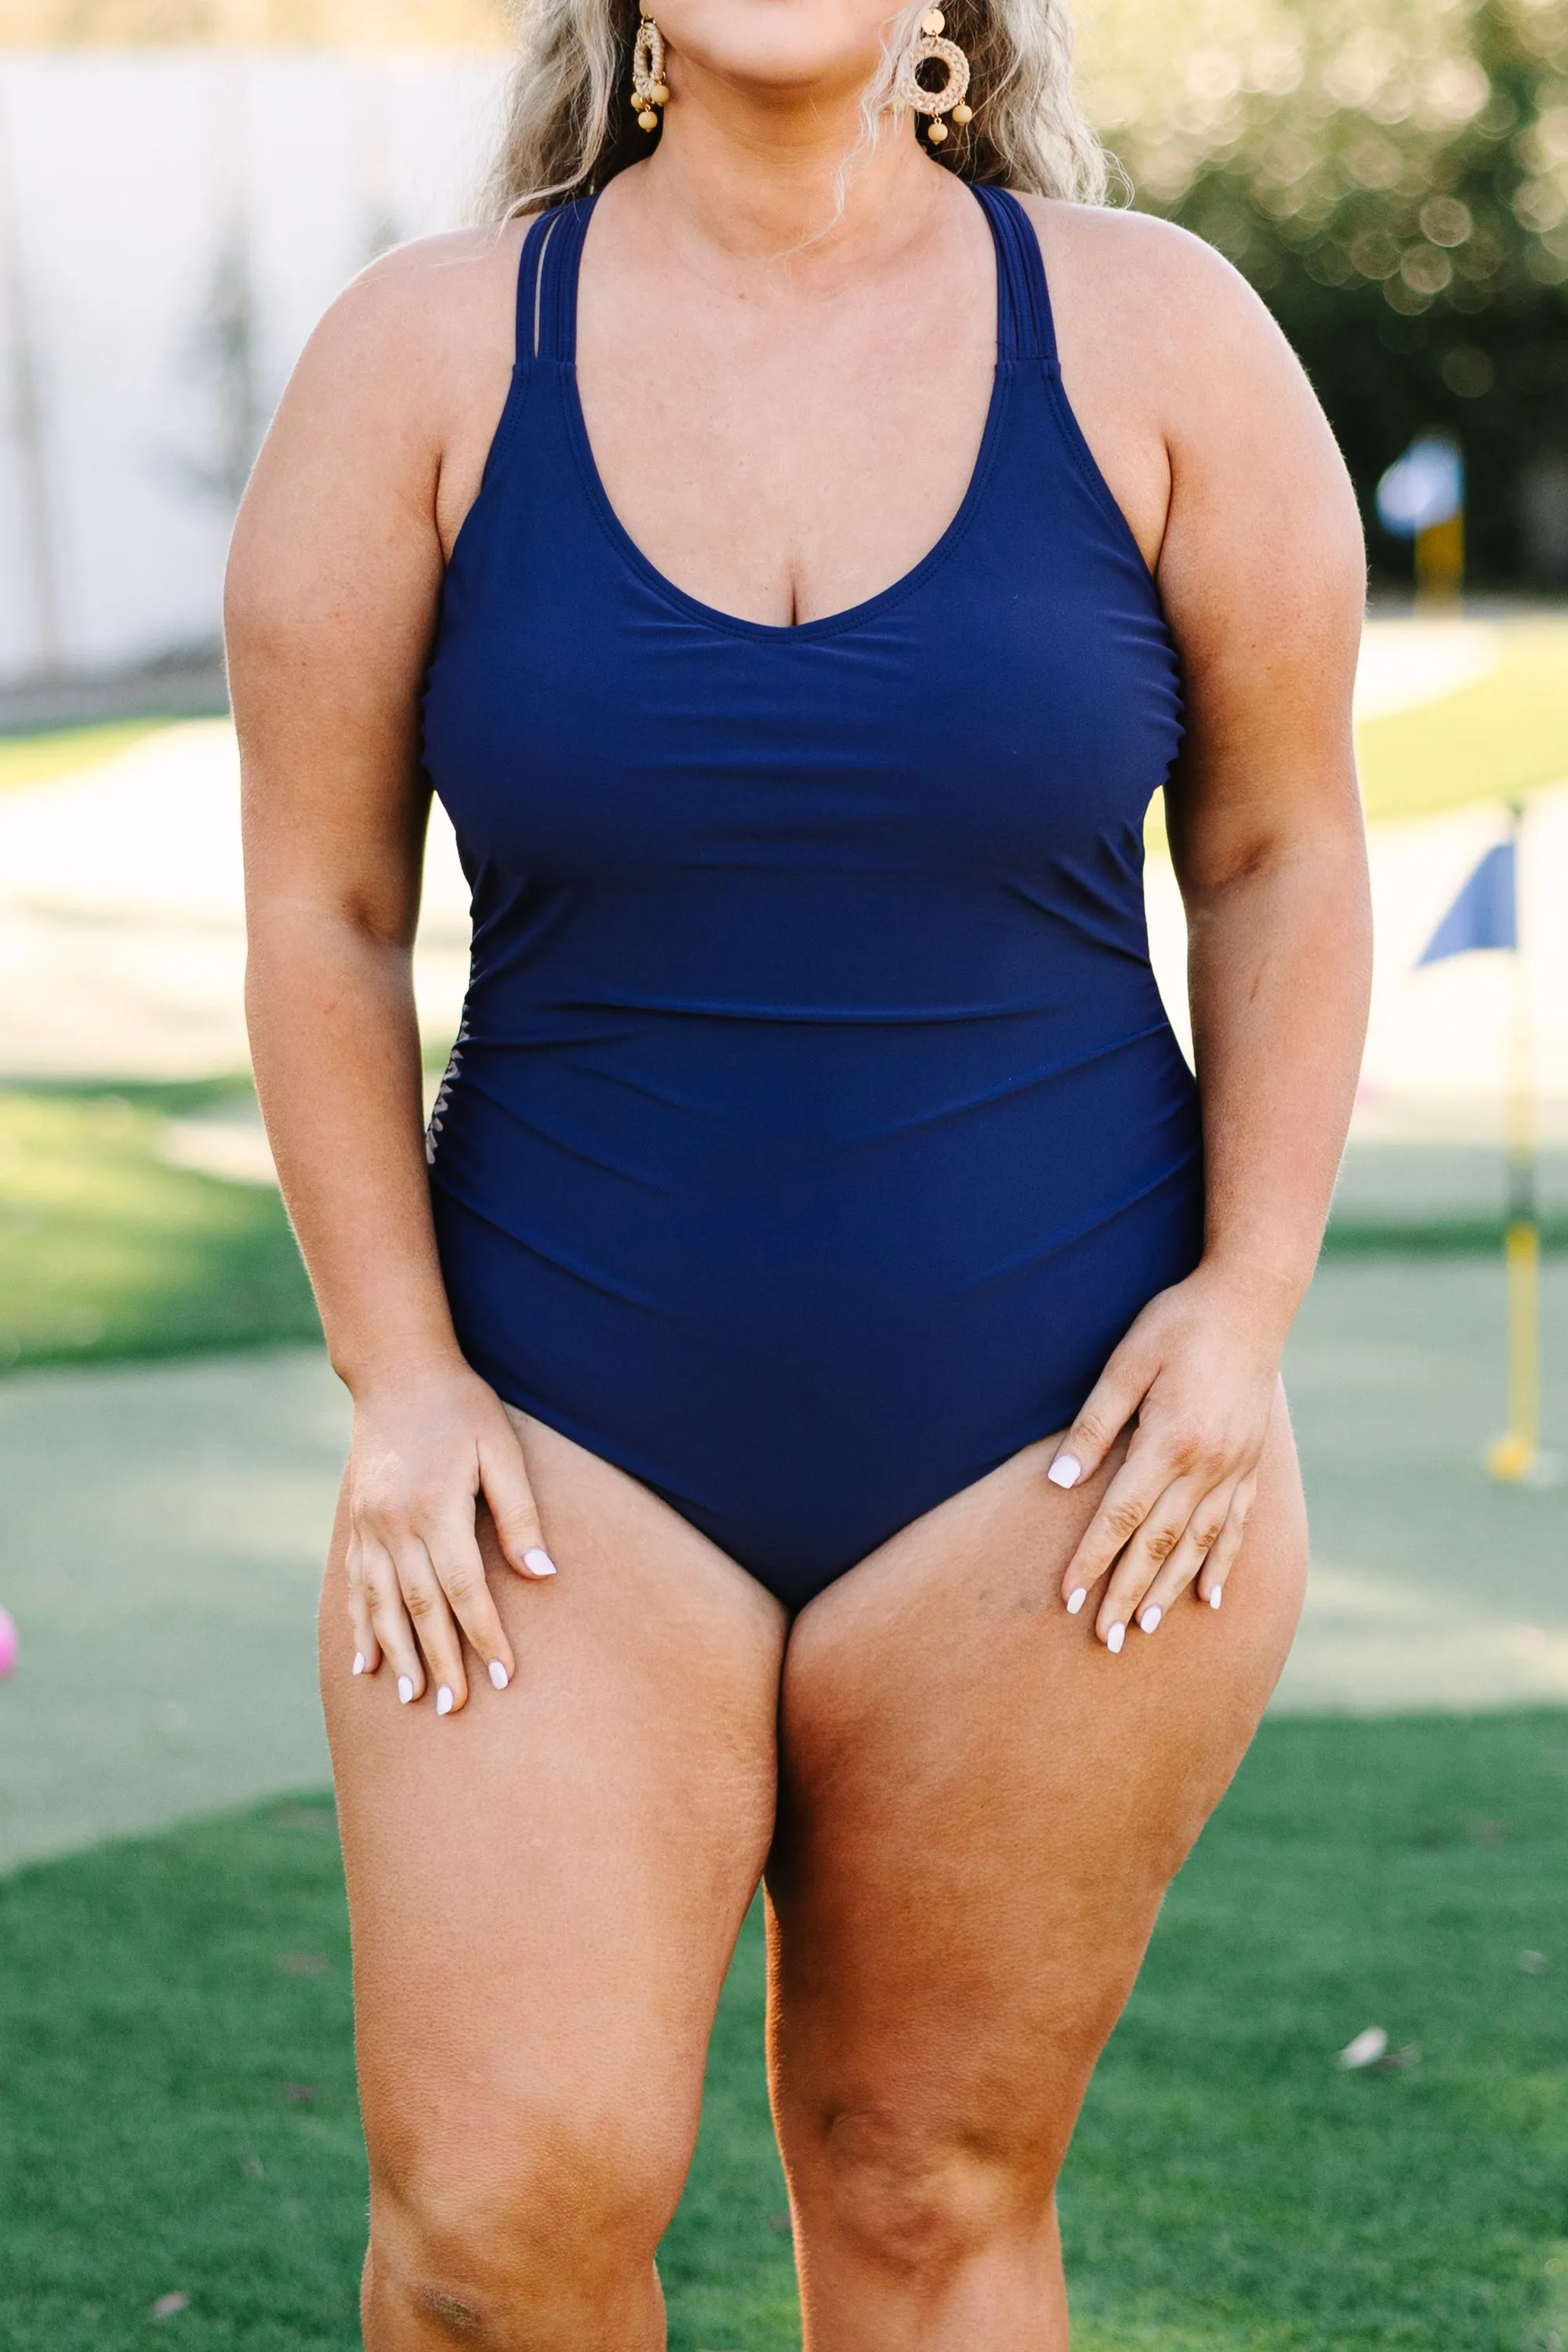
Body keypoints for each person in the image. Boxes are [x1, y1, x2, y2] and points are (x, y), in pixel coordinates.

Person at [227, 0, 1370, 2328]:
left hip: (1067, 1465)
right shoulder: (425, 357)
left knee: (927, 2195)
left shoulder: (1158, 333)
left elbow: (1279, 846)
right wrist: (404, 1384)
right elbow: (320, 910)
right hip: (548, 1454)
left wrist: (1249, 1303)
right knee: (491, 2228)